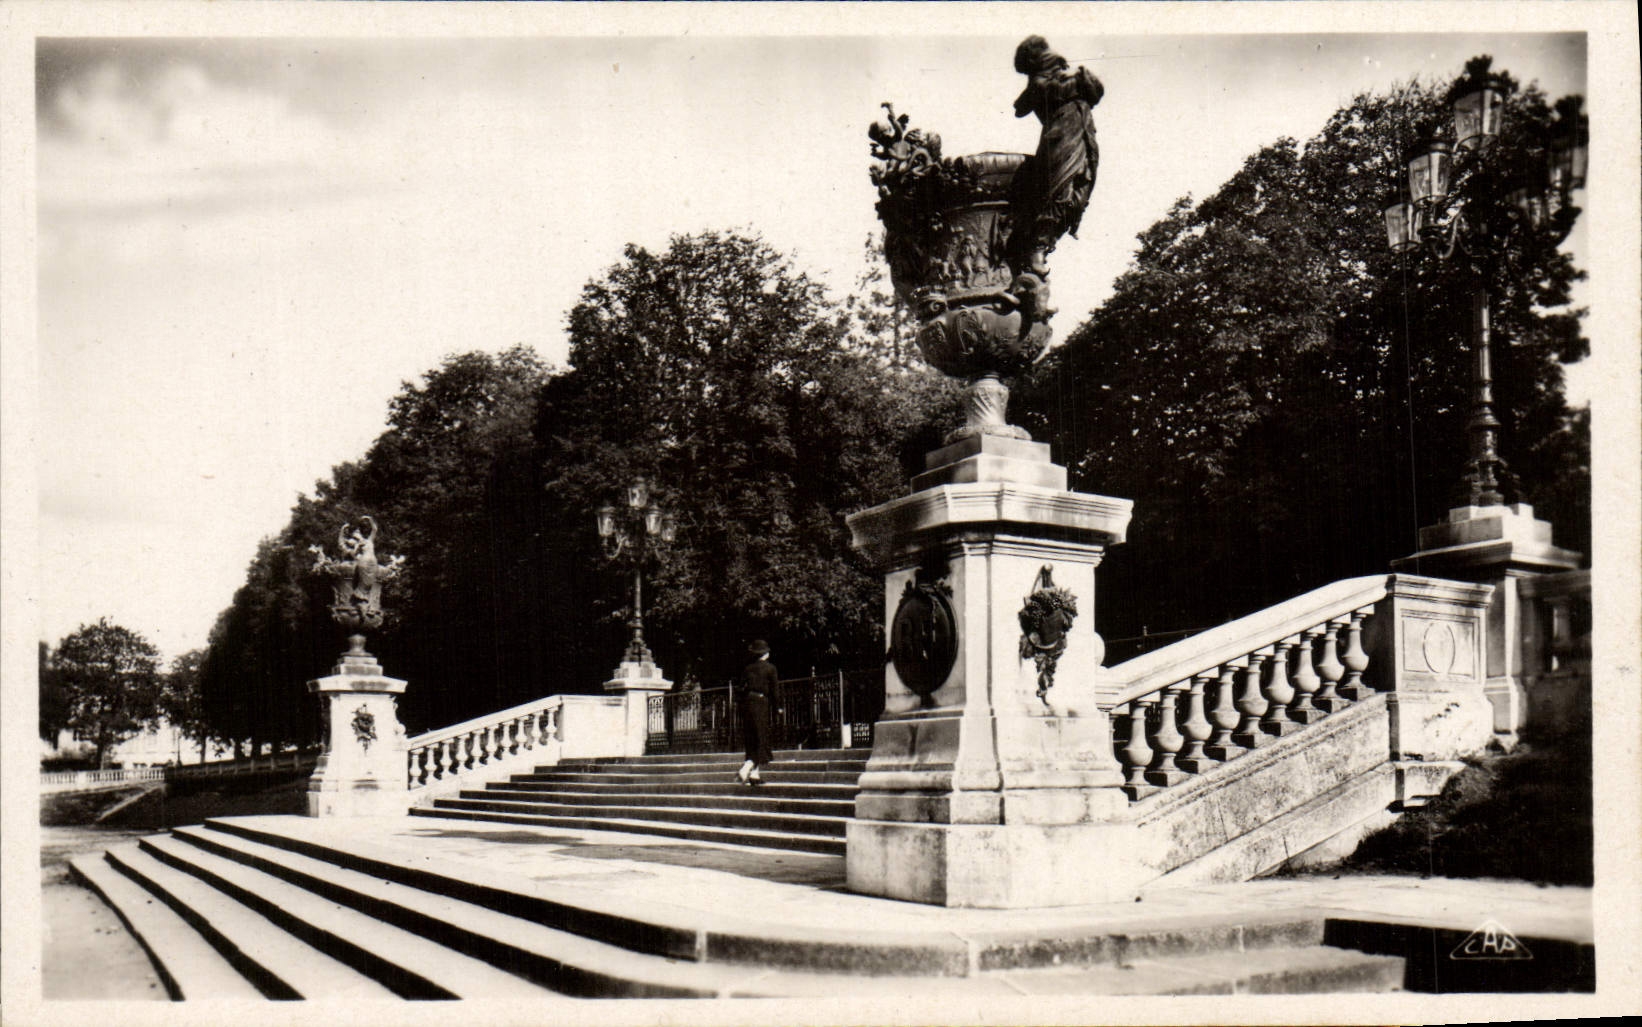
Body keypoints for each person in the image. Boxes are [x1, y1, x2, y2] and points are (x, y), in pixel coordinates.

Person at [1011, 35, 1104, 276]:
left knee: (1080, 193)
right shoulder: (1039, 83)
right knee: (1059, 192)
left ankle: (1039, 248)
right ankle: (1037, 250)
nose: (1053, 57)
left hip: (1083, 136)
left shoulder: (1065, 76)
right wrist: (1074, 79)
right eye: (1044, 55)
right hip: (1061, 137)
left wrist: (1079, 75)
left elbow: (1096, 91)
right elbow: (1037, 98)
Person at [737, 640, 777, 785]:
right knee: (761, 738)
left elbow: (740, 689)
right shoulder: (770, 668)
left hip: (748, 704)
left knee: (751, 738)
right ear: (765, 653)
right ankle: (746, 768)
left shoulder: (747, 669)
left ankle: (755, 775)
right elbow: (774, 691)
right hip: (761, 704)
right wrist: (777, 707)